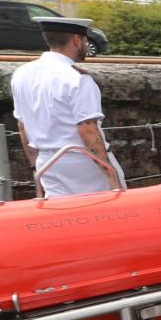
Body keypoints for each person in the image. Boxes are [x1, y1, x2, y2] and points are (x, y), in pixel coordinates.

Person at [11, 17, 124, 198]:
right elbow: (87, 130)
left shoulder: (21, 74)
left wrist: (34, 166)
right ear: (77, 40)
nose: (86, 45)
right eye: (85, 40)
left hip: (47, 162)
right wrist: (110, 174)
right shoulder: (77, 78)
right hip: (83, 164)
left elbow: (22, 126)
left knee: (62, 219)